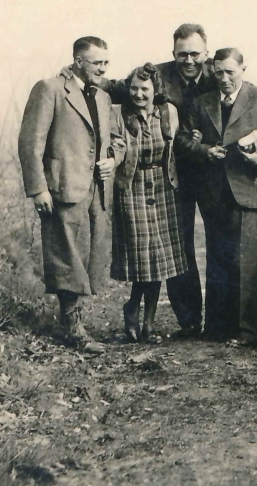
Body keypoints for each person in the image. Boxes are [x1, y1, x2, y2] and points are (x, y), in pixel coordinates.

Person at [102, 24, 257, 339]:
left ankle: (231, 324)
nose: (188, 60)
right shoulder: (160, 75)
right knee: (181, 250)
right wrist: (91, 79)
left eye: (194, 54)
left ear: (206, 54)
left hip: (214, 178)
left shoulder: (218, 72)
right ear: (173, 53)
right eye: (182, 54)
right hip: (174, 177)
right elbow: (125, 87)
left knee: (227, 251)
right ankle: (190, 320)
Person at [176, 48, 257, 346]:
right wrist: (204, 151)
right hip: (214, 194)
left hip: (251, 189)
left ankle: (247, 332)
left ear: (243, 69)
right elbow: (183, 140)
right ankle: (217, 328)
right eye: (219, 73)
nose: (224, 79)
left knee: (249, 263)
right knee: (218, 260)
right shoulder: (201, 102)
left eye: (230, 72)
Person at [18, 36, 115, 355]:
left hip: (93, 189)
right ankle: (72, 327)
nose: (103, 68)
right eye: (97, 62)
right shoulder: (50, 89)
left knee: (87, 255)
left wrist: (110, 159)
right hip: (61, 188)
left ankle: (73, 320)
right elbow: (31, 143)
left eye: (106, 62)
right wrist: (38, 188)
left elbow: (108, 139)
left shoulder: (102, 97)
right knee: (66, 254)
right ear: (77, 61)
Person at [109, 63, 190, 344]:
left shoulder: (169, 113)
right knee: (142, 258)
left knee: (158, 260)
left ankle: (148, 324)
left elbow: (179, 148)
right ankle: (132, 307)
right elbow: (116, 147)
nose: (138, 94)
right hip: (132, 188)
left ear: (156, 90)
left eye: (144, 89)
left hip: (165, 188)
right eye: (133, 88)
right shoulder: (119, 114)